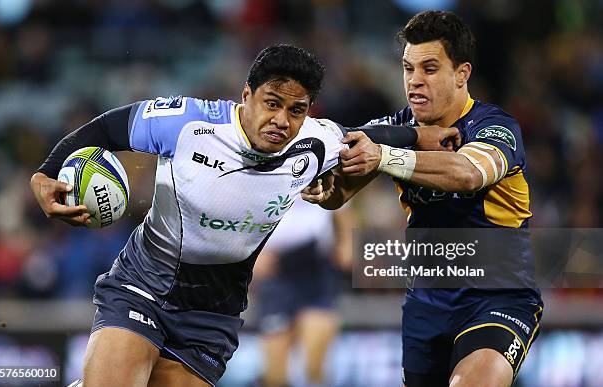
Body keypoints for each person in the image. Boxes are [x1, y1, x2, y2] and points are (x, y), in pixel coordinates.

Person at [30, 44, 458, 386]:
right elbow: (107, 129)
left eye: (296, 110)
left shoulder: (316, 142)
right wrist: (47, 173)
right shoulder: (187, 123)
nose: (282, 121)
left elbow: (376, 132)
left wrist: (428, 134)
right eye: (272, 103)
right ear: (247, 95)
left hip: (214, 309)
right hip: (144, 282)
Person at [302, 11, 544, 387]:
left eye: (429, 68)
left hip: (498, 297)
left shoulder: (495, 126)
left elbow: (466, 174)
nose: (415, 81)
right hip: (426, 304)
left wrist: (384, 155)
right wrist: (324, 190)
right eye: (408, 68)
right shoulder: (397, 127)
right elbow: (339, 194)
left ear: (461, 74)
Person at [253, 198, 353, 387]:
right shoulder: (262, 168)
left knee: (314, 361)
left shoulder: (322, 168)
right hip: (275, 268)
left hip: (315, 265)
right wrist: (250, 256)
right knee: (275, 374)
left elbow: (343, 203)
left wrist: (348, 243)